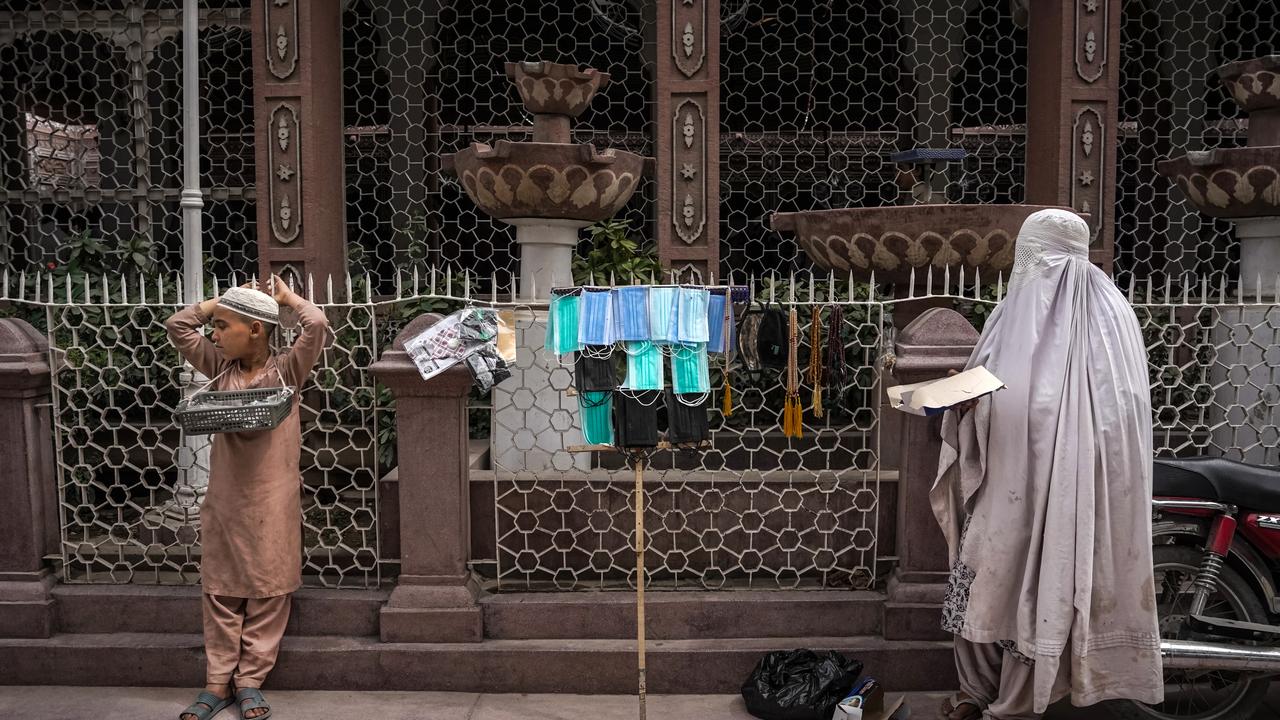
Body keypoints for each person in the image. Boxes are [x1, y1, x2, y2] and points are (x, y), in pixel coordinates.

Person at [931, 210, 1163, 719]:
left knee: (1041, 590)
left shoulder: (1108, 321)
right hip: (1004, 485)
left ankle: (1011, 706)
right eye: (1026, 259)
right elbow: (989, 380)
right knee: (981, 586)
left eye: (1038, 259)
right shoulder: (1008, 315)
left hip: (1069, 493)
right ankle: (977, 692)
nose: (1030, 270)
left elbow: (1116, 417)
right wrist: (966, 401)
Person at [165, 276, 330, 720]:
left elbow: (315, 324)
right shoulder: (217, 368)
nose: (213, 335)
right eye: (214, 327)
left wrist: (284, 299)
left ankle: (250, 681)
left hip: (273, 501)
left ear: (256, 329)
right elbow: (178, 325)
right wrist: (224, 301)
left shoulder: (287, 371)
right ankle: (216, 684)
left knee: (269, 589)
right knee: (219, 588)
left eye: (222, 326)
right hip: (225, 499)